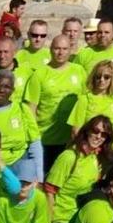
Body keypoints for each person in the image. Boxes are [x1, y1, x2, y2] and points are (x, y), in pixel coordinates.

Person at [45, 115, 113, 223]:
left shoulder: (96, 159)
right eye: (96, 131)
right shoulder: (69, 157)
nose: (99, 137)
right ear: (87, 131)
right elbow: (49, 192)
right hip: (59, 222)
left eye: (104, 135)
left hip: (78, 222)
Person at [0, 70, 43, 181]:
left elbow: (35, 143)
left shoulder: (22, 109)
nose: (1, 90)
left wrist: (39, 177)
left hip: (20, 164)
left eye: (7, 87)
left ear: (12, 91)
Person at [30, 34, 86, 169]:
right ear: (50, 49)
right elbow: (31, 108)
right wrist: (33, 138)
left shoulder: (79, 71)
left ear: (70, 50)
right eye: (57, 48)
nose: (60, 52)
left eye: (64, 49)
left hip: (72, 139)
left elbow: (85, 100)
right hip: (46, 138)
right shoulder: (39, 74)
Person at [69, 61, 113, 139]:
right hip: (88, 145)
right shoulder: (84, 99)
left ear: (112, 79)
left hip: (108, 145)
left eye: (106, 77)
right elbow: (75, 131)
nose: (102, 80)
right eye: (98, 76)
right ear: (93, 78)